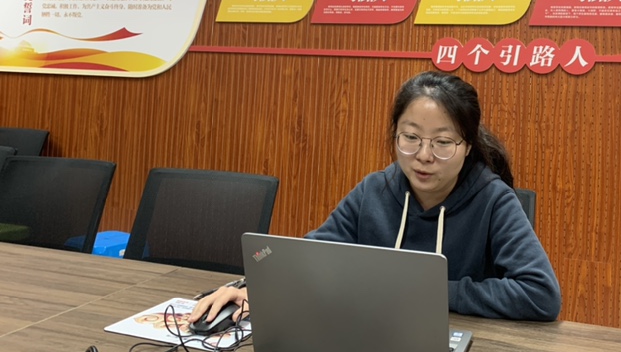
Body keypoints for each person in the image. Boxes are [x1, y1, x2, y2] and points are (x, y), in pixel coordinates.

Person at [190, 70, 561, 326]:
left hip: (463, 348)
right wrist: (251, 287)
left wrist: (428, 292)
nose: (424, 156)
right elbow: (312, 255)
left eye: (443, 142)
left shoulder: (493, 200)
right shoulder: (375, 190)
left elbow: (540, 294)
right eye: (410, 137)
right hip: (375, 335)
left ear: (467, 146)